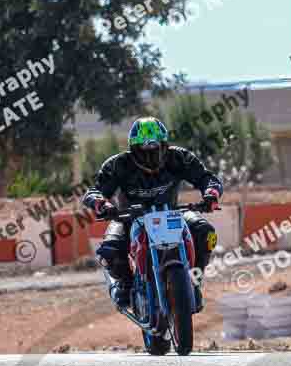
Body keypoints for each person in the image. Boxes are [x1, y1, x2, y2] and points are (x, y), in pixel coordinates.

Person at [82, 116, 223, 312]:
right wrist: (103, 205)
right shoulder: (118, 164)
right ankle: (126, 285)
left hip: (173, 213)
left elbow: (207, 178)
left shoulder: (179, 157)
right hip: (128, 218)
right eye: (144, 150)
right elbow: (94, 191)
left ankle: (194, 279)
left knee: (206, 233)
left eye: (156, 148)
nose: (151, 155)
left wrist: (210, 195)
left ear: (165, 146)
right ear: (133, 149)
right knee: (109, 251)